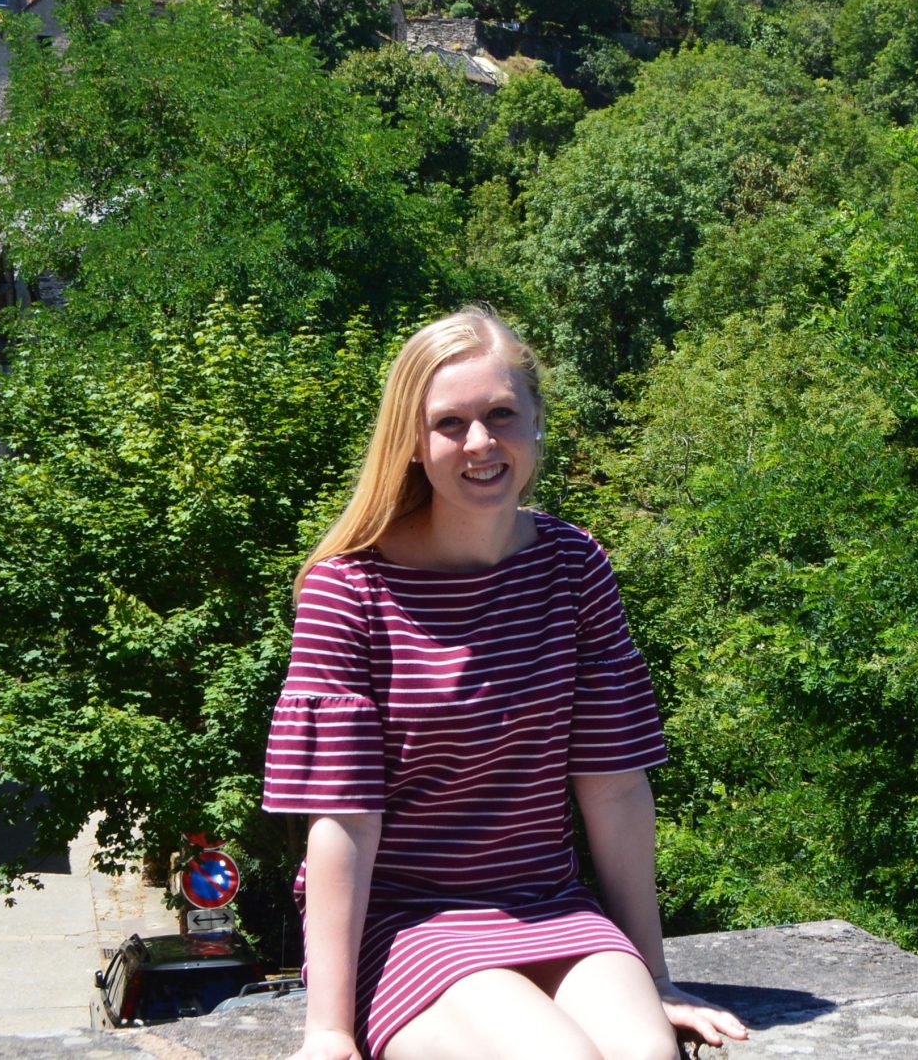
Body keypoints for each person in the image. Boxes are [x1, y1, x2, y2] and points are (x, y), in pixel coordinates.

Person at [266, 307, 748, 1060]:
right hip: (409, 924)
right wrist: (328, 1031)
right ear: (412, 443)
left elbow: (615, 786)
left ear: (536, 420)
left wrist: (656, 975)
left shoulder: (574, 566)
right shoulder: (350, 590)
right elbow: (344, 821)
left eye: (499, 415)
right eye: (449, 423)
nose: (480, 443)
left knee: (648, 1055)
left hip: (550, 905)